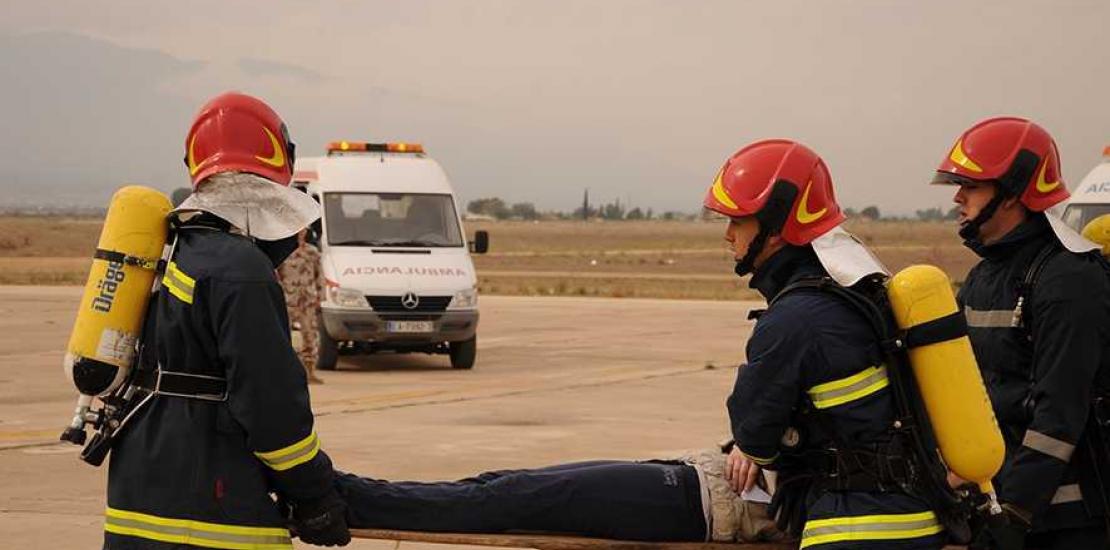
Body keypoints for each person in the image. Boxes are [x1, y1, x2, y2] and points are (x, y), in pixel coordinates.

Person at [103, 92, 350, 548]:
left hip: (136, 502)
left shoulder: (171, 251)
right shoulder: (241, 270)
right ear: (279, 161)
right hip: (212, 516)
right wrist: (315, 495)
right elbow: (273, 408)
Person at [706, 139, 948, 549]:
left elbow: (753, 431)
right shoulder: (857, 288)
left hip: (856, 528)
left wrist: (754, 446)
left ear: (776, 227)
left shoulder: (796, 317)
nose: (728, 235)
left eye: (738, 221)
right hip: (916, 518)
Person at [931, 117, 1110, 550]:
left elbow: (1059, 413)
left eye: (970, 186)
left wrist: (1013, 512)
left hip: (1069, 520)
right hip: (1002, 505)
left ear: (1011, 193)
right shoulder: (983, 277)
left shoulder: (1069, 280)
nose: (957, 197)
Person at [334, 447, 782, 543]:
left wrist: (756, 437)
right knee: (502, 483)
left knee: (508, 497)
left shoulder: (802, 318)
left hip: (704, 503)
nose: (730, 239)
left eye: (739, 234)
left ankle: (348, 498)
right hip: (698, 479)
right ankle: (354, 493)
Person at [277, 228, 326, 384]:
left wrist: (320, 296)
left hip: (307, 300)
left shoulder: (312, 252)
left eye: (303, 230)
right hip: (288, 299)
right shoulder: (284, 252)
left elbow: (319, 274)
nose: (301, 233)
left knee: (310, 335)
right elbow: (277, 276)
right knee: (283, 336)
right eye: (298, 231)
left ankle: (309, 371)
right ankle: (284, 372)